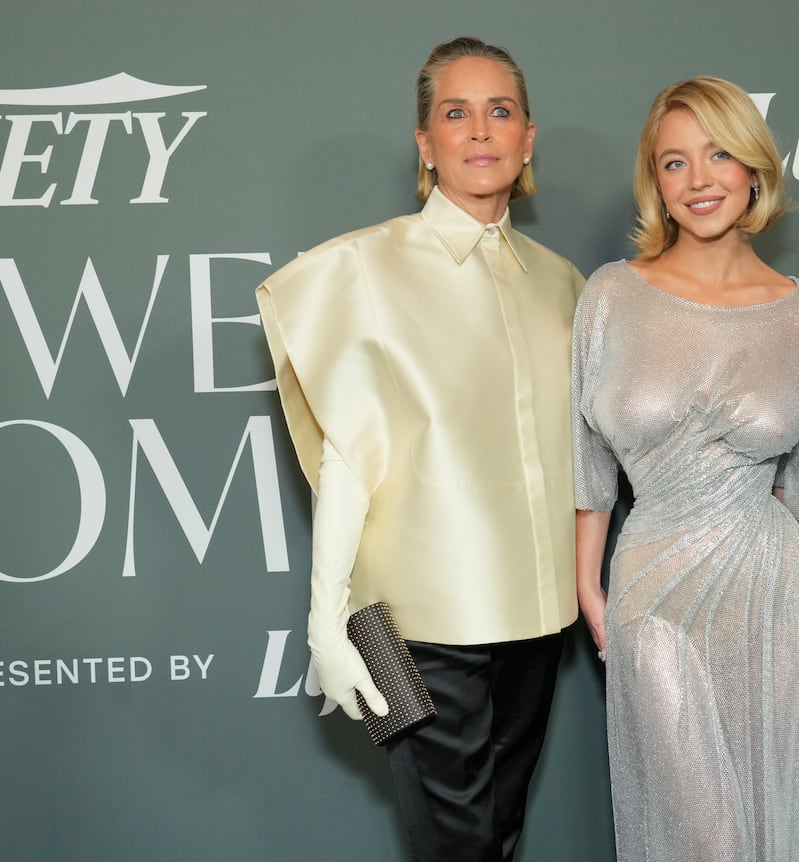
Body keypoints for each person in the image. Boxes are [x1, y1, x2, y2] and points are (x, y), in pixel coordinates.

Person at [256, 36, 583, 862]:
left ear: (528, 138)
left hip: (538, 623)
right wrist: (325, 621)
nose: (480, 130)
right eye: (455, 112)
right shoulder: (359, 269)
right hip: (413, 627)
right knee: (456, 848)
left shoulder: (564, 282)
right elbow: (347, 456)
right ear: (425, 144)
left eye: (499, 111)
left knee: (499, 837)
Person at [572, 76, 799, 861]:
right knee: (705, 837)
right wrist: (587, 586)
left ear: (754, 169)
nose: (698, 180)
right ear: (654, 182)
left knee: (770, 824)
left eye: (718, 154)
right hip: (653, 585)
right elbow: (587, 460)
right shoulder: (613, 296)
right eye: (674, 162)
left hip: (770, 592)